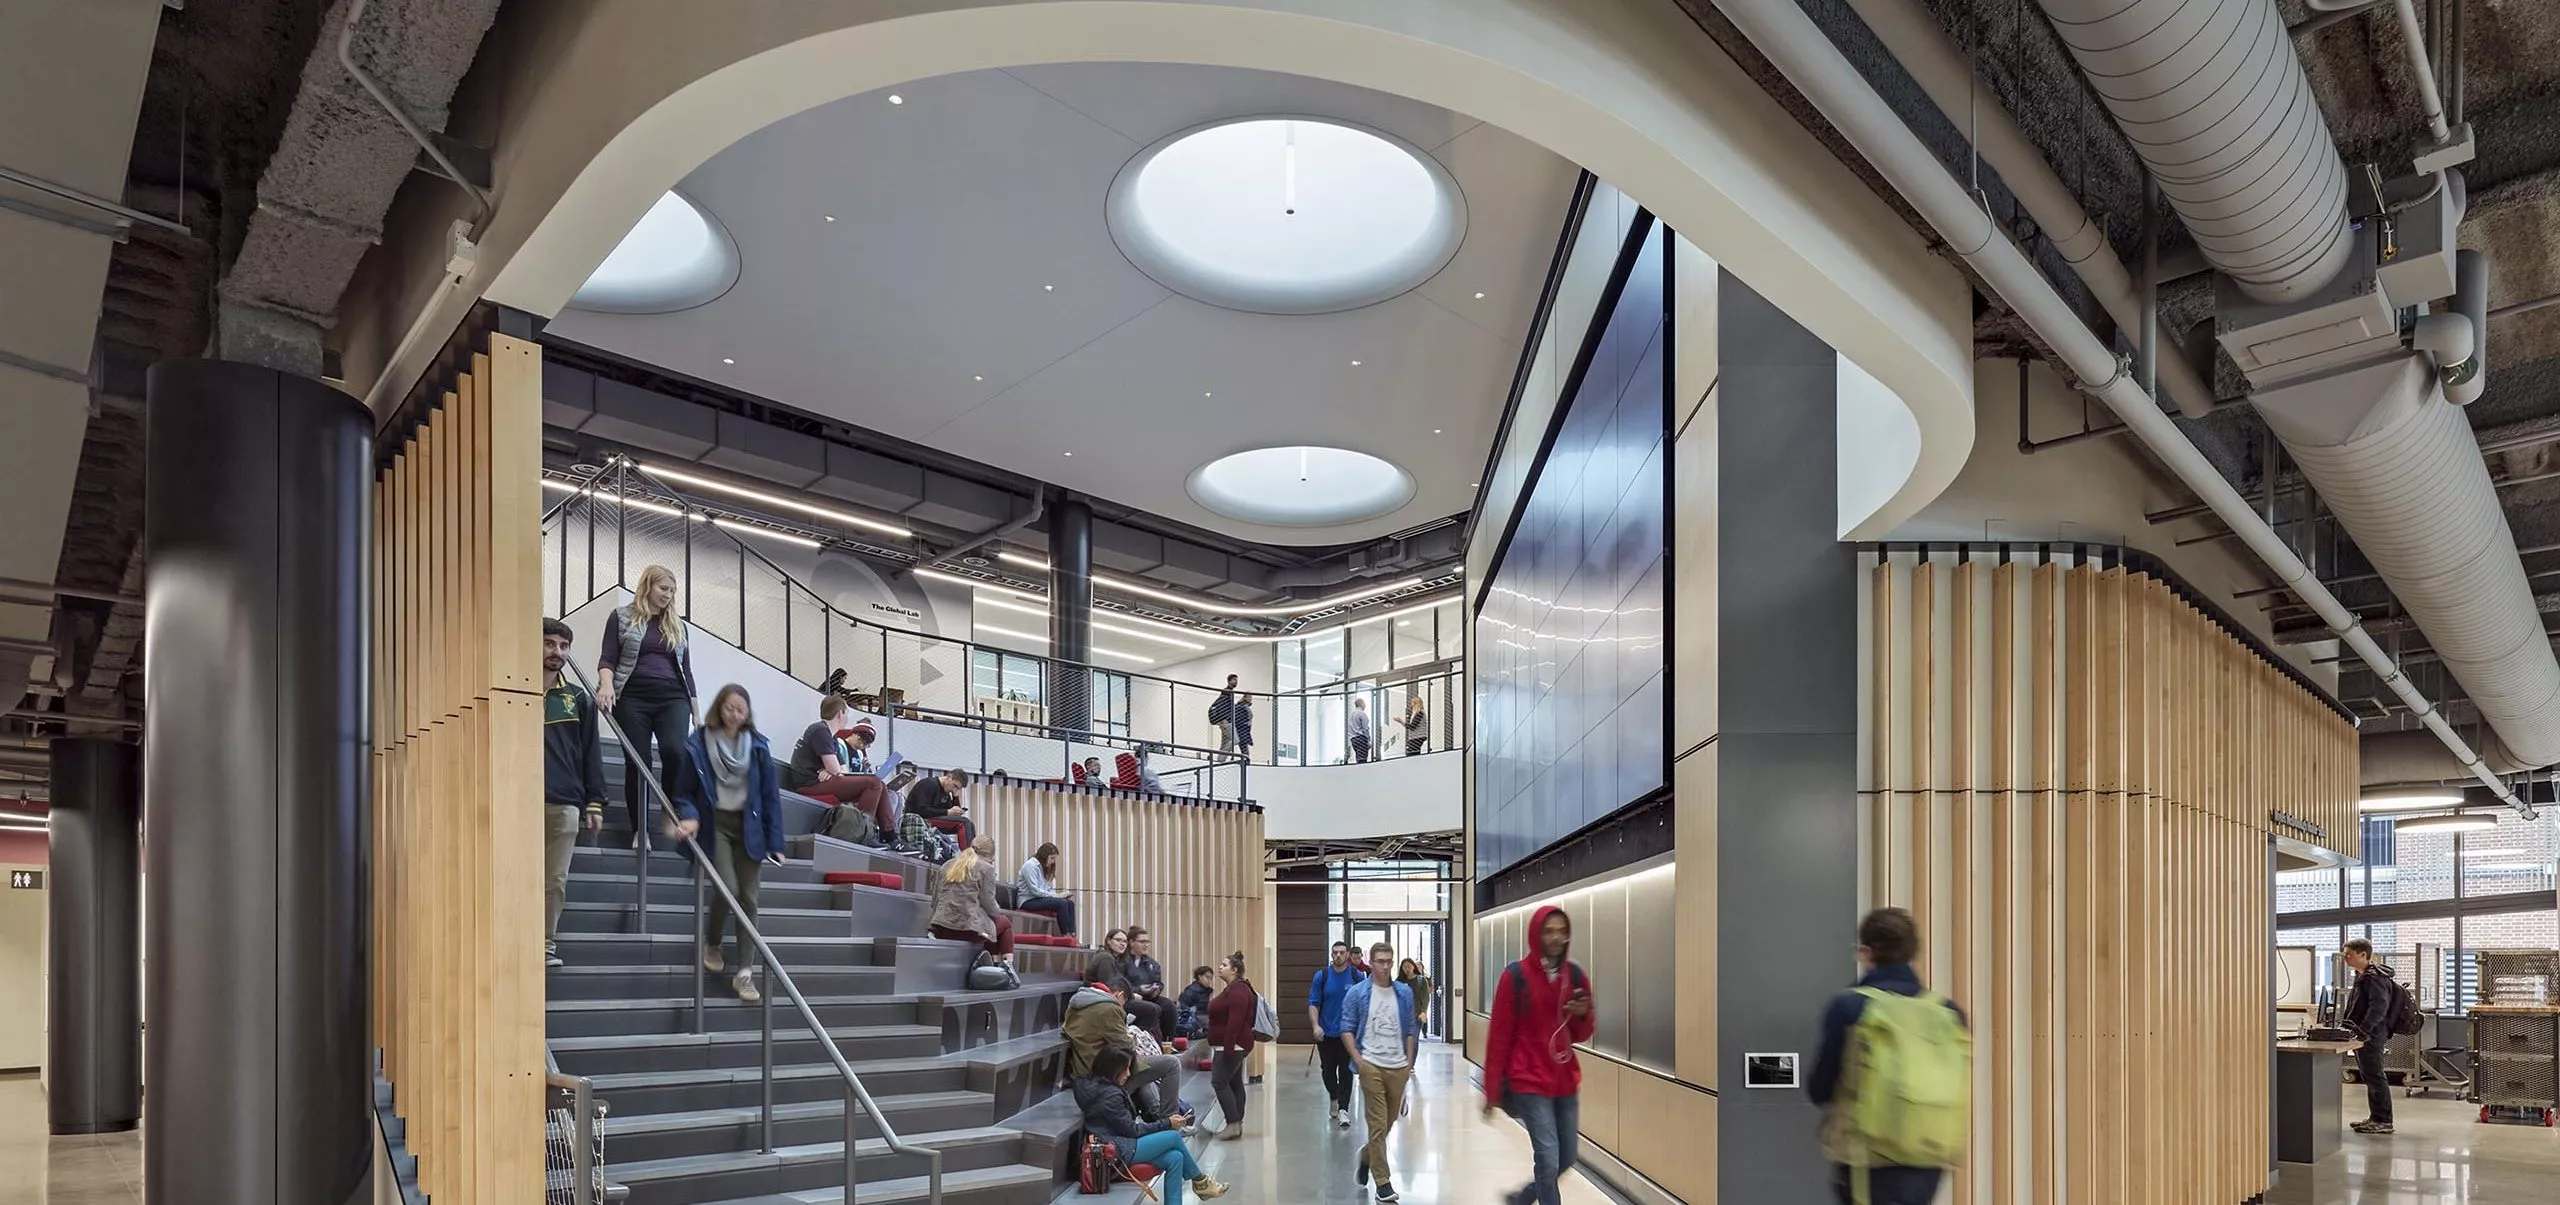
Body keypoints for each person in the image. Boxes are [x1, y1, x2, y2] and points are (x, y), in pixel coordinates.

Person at [1809, 907, 1970, 1205]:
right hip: (1929, 1156)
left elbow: (1820, 1089)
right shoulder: (1948, 1012)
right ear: (1912, 952)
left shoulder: (1850, 1007)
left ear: (1866, 952)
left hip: (1867, 1161)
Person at [670, 684, 784, 1004]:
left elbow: (770, 797)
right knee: (728, 890)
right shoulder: (699, 743)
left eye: (741, 709)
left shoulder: (758, 746)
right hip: (715, 826)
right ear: (719, 707)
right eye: (730, 707)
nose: (735, 714)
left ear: (748, 713)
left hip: (749, 829)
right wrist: (690, 816)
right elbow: (683, 792)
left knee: (749, 898)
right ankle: (713, 941)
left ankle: (745, 973)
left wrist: (776, 842)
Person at [1482, 906, 1594, 1205]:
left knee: (1566, 1157)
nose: (1556, 937)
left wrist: (1582, 1016)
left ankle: (1522, 1199)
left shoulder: (1576, 976)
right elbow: (1499, 1036)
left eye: (1561, 930)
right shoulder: (1515, 976)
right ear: (1536, 934)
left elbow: (1582, 1033)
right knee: (1547, 1155)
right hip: (1528, 1079)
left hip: (1564, 1081)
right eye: (1549, 930)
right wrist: (1491, 1090)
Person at [596, 564, 698, 849]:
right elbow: (608, 658)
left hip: (673, 698)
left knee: (676, 751)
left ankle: (670, 806)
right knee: (638, 762)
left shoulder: (678, 626)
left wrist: (697, 713)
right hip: (632, 697)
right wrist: (606, 685)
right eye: (664, 588)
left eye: (672, 591)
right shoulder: (621, 617)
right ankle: (640, 829)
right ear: (648, 587)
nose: (668, 595)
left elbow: (686, 672)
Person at [1071, 1047, 1229, 1203]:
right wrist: (1167, 1122)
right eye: (1124, 1069)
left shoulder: (1090, 1087)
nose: (1128, 1074)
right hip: (1115, 1153)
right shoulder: (1110, 1096)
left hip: (1113, 1144)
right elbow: (1132, 1131)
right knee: (1173, 1136)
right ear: (1110, 1068)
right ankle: (1200, 1182)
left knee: (1175, 1158)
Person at [541, 619, 608, 969]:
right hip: (515, 798)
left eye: (564, 646)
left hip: (565, 801)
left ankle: (544, 945)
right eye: (550, 644)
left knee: (555, 879)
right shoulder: (510, 691)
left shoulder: (578, 697)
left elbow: (591, 752)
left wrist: (594, 801)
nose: (558, 652)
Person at [1343, 941, 1419, 1201]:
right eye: (1380, 961)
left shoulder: (1404, 993)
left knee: (1388, 1124)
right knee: (1377, 1125)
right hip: (1371, 1065)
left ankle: (1366, 1156)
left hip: (1398, 1067)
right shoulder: (1357, 993)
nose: (1385, 966)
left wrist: (1408, 1063)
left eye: (1389, 961)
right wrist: (1359, 1061)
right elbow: (1347, 1027)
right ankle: (1383, 1181)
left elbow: (1410, 1028)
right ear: (1371, 962)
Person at [1065, 977, 1182, 1117]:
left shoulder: (1076, 1004)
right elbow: (1126, 1045)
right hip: (1104, 1076)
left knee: (1142, 1067)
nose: (1123, 1007)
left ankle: (1157, 1114)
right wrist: (1132, 1039)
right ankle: (1171, 1119)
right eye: (1124, 1002)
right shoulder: (1109, 1008)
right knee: (1171, 1063)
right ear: (1119, 995)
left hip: (1084, 1076)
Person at [785, 697, 893, 832]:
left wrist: (828, 769)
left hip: (820, 781)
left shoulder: (832, 737)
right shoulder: (820, 730)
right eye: (847, 713)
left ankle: (890, 835)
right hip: (809, 784)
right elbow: (836, 770)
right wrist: (831, 769)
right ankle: (863, 832)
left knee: (880, 784)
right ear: (840, 714)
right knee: (874, 783)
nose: (847, 717)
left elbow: (841, 769)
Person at [2342, 937, 2400, 1135]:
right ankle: (2376, 1117)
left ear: (2363, 955)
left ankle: (2383, 1121)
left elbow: (2378, 1008)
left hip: (2371, 1034)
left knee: (2375, 1076)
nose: (2345, 958)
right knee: (2369, 1075)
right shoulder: (2363, 976)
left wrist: (2363, 1031)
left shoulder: (2374, 978)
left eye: (2349, 955)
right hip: (2365, 1034)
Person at [928, 835, 1015, 966]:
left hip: (941, 928)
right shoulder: (986, 868)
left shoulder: (946, 865)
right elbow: (989, 905)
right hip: (967, 930)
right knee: (1005, 922)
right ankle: (1006, 967)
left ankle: (994, 964)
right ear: (990, 856)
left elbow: (934, 901)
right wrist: (998, 911)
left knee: (989, 927)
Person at [1308, 940, 1367, 1127]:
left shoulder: (1357, 976)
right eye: (1335, 953)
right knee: (1328, 1070)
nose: (1339, 956)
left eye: (1342, 952)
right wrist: (1316, 1026)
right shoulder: (1322, 976)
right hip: (1327, 1033)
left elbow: (1364, 1002)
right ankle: (1333, 1096)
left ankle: (1343, 1109)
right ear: (1332, 955)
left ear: (1348, 955)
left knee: (1346, 1071)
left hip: (1348, 1034)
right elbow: (1313, 1003)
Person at [1205, 952, 1258, 1140]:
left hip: (1232, 1046)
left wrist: (1228, 1047)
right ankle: (1236, 1123)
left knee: (1219, 1082)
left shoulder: (1238, 990)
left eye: (1224, 965)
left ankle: (1233, 1123)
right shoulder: (1233, 989)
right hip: (1231, 1045)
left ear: (1234, 970)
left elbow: (1235, 1021)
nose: (1220, 967)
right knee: (1234, 1082)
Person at [1086, 929, 1168, 1038]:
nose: (1122, 944)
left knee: (1165, 1006)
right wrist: (1133, 994)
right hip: (1102, 1001)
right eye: (1118, 940)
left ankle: (1161, 1043)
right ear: (1109, 941)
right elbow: (1110, 987)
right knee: (1152, 1009)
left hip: (1115, 998)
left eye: (1124, 941)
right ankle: (1140, 1043)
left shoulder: (1113, 958)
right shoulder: (1105, 958)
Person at [1016, 841, 1078, 939]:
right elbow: (1035, 890)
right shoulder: (1030, 866)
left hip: (1039, 899)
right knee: (1061, 904)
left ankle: (1073, 935)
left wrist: (1060, 895)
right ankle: (1065, 935)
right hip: (1028, 900)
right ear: (1044, 856)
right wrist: (1056, 896)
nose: (1053, 861)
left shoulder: (1044, 868)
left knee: (1070, 903)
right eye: (1052, 858)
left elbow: (1047, 889)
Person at [903, 767, 975, 846]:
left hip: (932, 818)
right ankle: (969, 856)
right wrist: (947, 812)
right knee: (964, 823)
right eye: (955, 786)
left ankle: (974, 852)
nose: (954, 790)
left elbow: (954, 815)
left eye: (957, 789)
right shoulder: (929, 784)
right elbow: (921, 810)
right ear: (949, 777)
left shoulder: (946, 792)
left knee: (969, 825)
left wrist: (955, 797)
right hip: (918, 818)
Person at [1124, 926, 1171, 1039]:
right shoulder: (1122, 961)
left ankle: (1168, 1042)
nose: (1146, 945)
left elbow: (1158, 982)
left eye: (1147, 942)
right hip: (1130, 997)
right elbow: (1120, 984)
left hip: (1149, 996)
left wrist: (1157, 989)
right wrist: (1139, 989)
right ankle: (1150, 1042)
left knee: (1169, 1006)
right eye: (1142, 942)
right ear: (1131, 942)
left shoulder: (1151, 963)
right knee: (1151, 1008)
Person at [1397, 958, 1435, 1036]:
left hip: (1416, 1015)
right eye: (1405, 967)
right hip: (1402, 1016)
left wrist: (1423, 1011)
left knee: (1413, 1040)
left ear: (1413, 967)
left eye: (1409, 966)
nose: (1407, 969)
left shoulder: (1421, 980)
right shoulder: (1399, 981)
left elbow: (1425, 997)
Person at [1176, 966, 1216, 1039]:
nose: (1209, 980)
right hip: (1196, 1018)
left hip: (1202, 1017)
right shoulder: (1192, 990)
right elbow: (1183, 1007)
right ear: (1199, 977)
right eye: (1207, 977)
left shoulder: (1207, 991)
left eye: (1211, 978)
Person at [1209, 674, 1242, 753]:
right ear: (1229, 681)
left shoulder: (1229, 692)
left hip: (1225, 721)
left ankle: (1220, 761)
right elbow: (1223, 706)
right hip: (1226, 721)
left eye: (1237, 680)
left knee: (1224, 743)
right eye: (1234, 680)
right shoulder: (1227, 692)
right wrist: (1225, 719)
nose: (1236, 682)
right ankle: (1221, 759)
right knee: (1235, 740)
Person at [1347, 696, 1374, 763]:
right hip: (1361, 738)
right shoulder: (1362, 714)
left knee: (1358, 758)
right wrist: (1368, 740)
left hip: (1353, 739)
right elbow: (1365, 728)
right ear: (1362, 704)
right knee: (1362, 759)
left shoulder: (1351, 715)